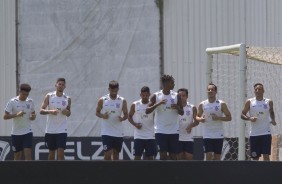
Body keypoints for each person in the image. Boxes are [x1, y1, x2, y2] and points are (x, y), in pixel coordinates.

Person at [146, 74, 184, 160]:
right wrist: (158, 104)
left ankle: (174, 173)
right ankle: (163, 173)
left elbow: (182, 112)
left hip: (173, 131)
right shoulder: (156, 95)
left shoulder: (176, 96)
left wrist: (177, 107)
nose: (174, 84)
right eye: (172, 83)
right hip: (160, 130)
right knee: (163, 155)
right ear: (166, 83)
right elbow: (147, 110)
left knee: (173, 156)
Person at [196, 83, 232, 161]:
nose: (210, 91)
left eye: (212, 89)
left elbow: (229, 117)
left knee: (217, 157)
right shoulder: (202, 104)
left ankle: (217, 173)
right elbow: (196, 117)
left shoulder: (221, 103)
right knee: (208, 155)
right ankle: (207, 173)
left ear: (216, 92)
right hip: (207, 134)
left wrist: (219, 118)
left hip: (218, 134)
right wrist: (200, 119)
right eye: (209, 89)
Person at [241, 83, 276, 161]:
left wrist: (273, 119)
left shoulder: (268, 101)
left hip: (266, 133)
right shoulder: (249, 101)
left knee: (266, 155)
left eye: (259, 89)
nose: (257, 91)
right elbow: (242, 115)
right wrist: (250, 118)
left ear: (263, 91)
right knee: (255, 157)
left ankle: (267, 173)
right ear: (254, 91)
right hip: (254, 134)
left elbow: (271, 112)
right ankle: (256, 173)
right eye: (256, 89)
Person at [96, 80, 128, 160]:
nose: (114, 92)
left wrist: (122, 118)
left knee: (116, 154)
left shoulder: (122, 100)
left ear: (118, 89)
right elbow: (97, 112)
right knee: (108, 153)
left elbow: (126, 115)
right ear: (109, 89)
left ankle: (115, 172)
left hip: (118, 132)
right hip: (106, 131)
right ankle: (106, 172)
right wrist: (103, 115)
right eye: (112, 90)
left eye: (115, 90)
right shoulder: (102, 99)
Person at [40, 78, 71, 160]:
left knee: (61, 153)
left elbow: (69, 113)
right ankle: (51, 172)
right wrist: (50, 111)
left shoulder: (67, 98)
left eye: (62, 84)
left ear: (65, 86)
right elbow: (41, 111)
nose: (60, 86)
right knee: (51, 154)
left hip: (62, 129)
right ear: (56, 85)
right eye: (59, 84)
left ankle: (61, 172)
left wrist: (66, 112)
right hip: (50, 129)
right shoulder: (49, 96)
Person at [3, 83, 36, 160]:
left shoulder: (30, 101)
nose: (25, 96)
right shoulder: (12, 101)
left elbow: (33, 113)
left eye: (27, 95)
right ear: (19, 92)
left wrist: (33, 117)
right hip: (16, 133)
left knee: (28, 152)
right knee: (17, 155)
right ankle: (16, 172)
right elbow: (5, 116)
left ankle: (28, 172)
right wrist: (17, 115)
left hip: (28, 131)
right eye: (23, 94)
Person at [128, 86, 157, 160]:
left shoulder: (153, 105)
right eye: (143, 95)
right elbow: (129, 116)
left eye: (146, 95)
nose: (145, 97)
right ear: (140, 94)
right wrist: (135, 124)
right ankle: (136, 172)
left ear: (149, 94)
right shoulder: (135, 104)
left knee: (150, 157)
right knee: (137, 157)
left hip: (150, 135)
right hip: (139, 136)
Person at [177, 88, 199, 160]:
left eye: (184, 95)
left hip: (188, 138)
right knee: (179, 160)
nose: (182, 97)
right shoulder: (175, 108)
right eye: (180, 96)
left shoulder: (192, 107)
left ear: (187, 97)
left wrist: (190, 126)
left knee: (189, 160)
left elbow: (196, 121)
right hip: (177, 138)